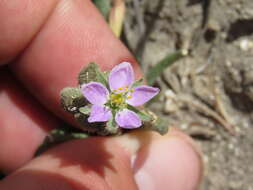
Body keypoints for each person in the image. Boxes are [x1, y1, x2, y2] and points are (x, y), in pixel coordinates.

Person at [0, 0, 202, 189]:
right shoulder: (99, 107)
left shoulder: (118, 112)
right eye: (117, 97)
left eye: (119, 97)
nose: (118, 98)